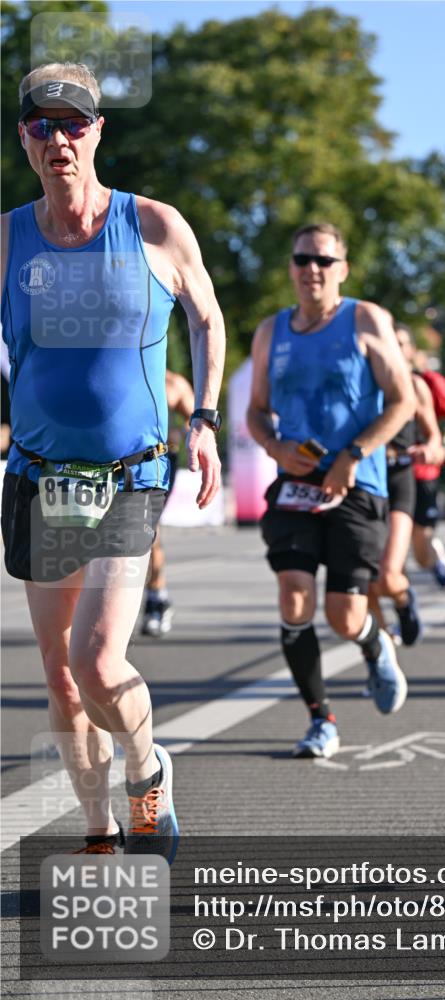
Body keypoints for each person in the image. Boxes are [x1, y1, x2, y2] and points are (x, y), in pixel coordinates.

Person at [1, 63, 225, 858]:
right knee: (60, 676)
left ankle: (145, 767)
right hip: (38, 478)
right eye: (41, 125)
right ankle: (99, 827)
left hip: (131, 474)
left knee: (98, 662)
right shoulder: (6, 239)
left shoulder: (155, 226)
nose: (58, 139)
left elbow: (205, 317)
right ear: (24, 137)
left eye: (74, 124)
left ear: (98, 131)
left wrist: (203, 415)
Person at [247, 222, 414, 759]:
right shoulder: (272, 331)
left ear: (342, 268)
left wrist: (353, 455)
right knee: (294, 597)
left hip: (356, 482)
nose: (311, 269)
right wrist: (275, 448)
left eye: (323, 260)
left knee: (344, 616)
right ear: (291, 267)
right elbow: (254, 410)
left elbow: (402, 401)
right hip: (295, 483)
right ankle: (321, 720)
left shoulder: (364, 319)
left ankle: (373, 643)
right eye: (302, 259)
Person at [367, 326, 445, 647]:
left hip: (399, 478)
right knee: (362, 582)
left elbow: (435, 437)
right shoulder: (363, 381)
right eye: (389, 343)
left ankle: (403, 599)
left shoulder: (416, 386)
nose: (394, 349)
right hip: (362, 481)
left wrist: (431, 448)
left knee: (387, 577)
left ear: (411, 351)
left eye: (401, 344)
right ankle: (382, 651)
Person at [407, 342, 445, 589]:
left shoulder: (429, 382)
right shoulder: (372, 378)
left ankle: (435, 559)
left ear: (411, 349)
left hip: (422, 474)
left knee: (420, 552)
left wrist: (440, 446)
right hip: (383, 475)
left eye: (402, 344)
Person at [141, 369, 195, 637]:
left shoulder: (173, 383)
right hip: (117, 460)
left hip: (159, 463)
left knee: (150, 529)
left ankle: (156, 598)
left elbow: (196, 420)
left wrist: (180, 432)